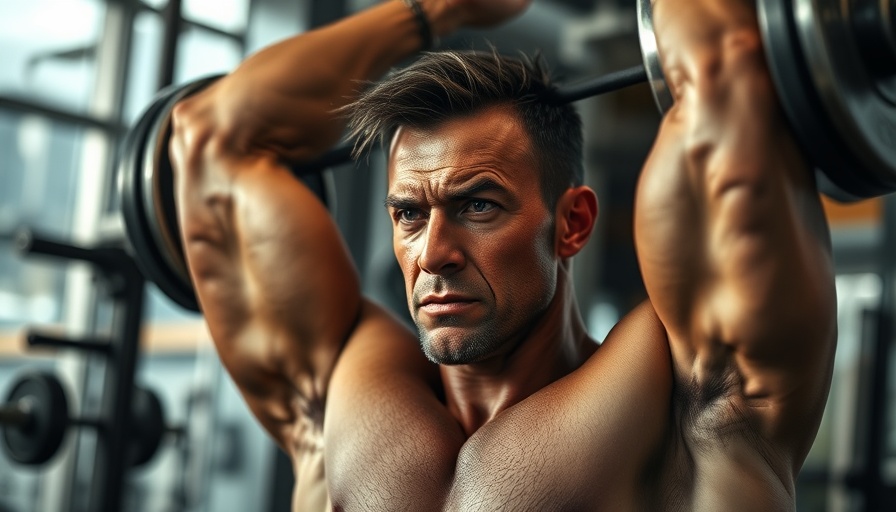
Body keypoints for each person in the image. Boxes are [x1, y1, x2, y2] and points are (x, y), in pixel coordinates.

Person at [168, 0, 837, 509]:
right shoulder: (342, 391)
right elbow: (213, 138)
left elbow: (727, 66)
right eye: (409, 214)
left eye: (477, 206)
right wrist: (441, 11)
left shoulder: (687, 401)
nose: (433, 253)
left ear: (571, 224)